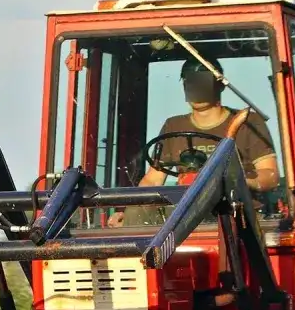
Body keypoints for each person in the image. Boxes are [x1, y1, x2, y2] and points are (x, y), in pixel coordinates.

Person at [109, 57, 279, 226]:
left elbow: (270, 175)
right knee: (137, 215)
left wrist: (233, 180)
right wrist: (130, 212)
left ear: (220, 84)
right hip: (185, 216)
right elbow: (153, 180)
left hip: (238, 216)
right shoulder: (173, 126)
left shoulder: (247, 122)